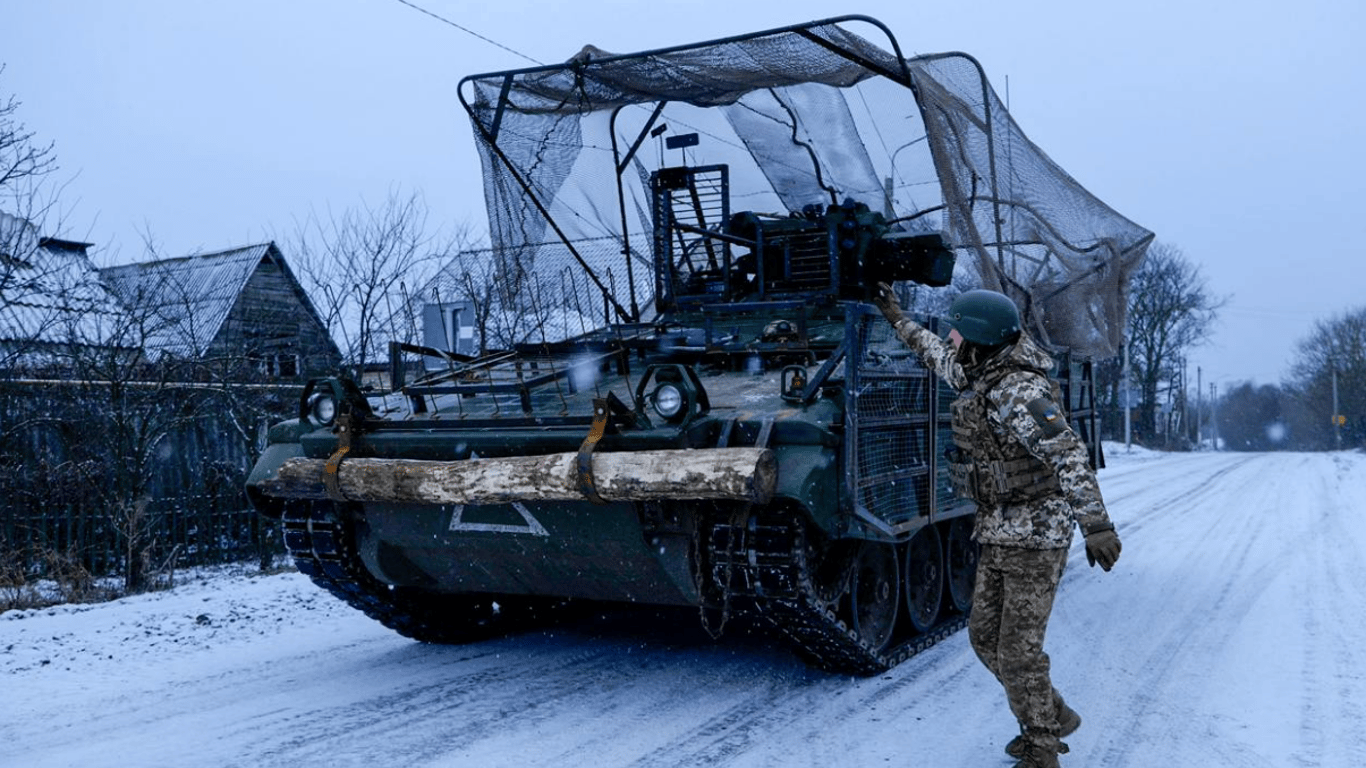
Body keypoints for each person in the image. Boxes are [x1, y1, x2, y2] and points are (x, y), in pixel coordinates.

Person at [872, 283, 1122, 768]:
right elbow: (935, 354)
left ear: (980, 337)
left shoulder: (1018, 390)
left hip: (1037, 535)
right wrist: (898, 320)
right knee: (984, 637)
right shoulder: (977, 371)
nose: (950, 337)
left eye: (957, 330)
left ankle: (1041, 747)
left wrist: (1096, 524)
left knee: (1018, 651)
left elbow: (1067, 453)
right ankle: (1052, 714)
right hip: (998, 529)